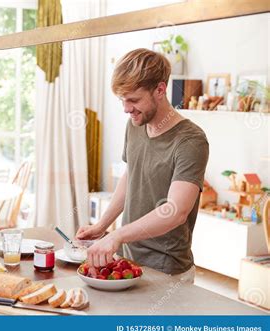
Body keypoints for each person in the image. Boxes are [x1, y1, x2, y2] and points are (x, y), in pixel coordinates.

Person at [76, 48, 209, 283]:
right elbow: (130, 176)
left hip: (167, 270)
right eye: (122, 100)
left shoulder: (190, 140)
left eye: (134, 100)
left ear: (160, 90)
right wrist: (102, 225)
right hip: (127, 260)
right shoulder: (135, 124)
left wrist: (117, 235)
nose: (126, 109)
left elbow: (176, 211)